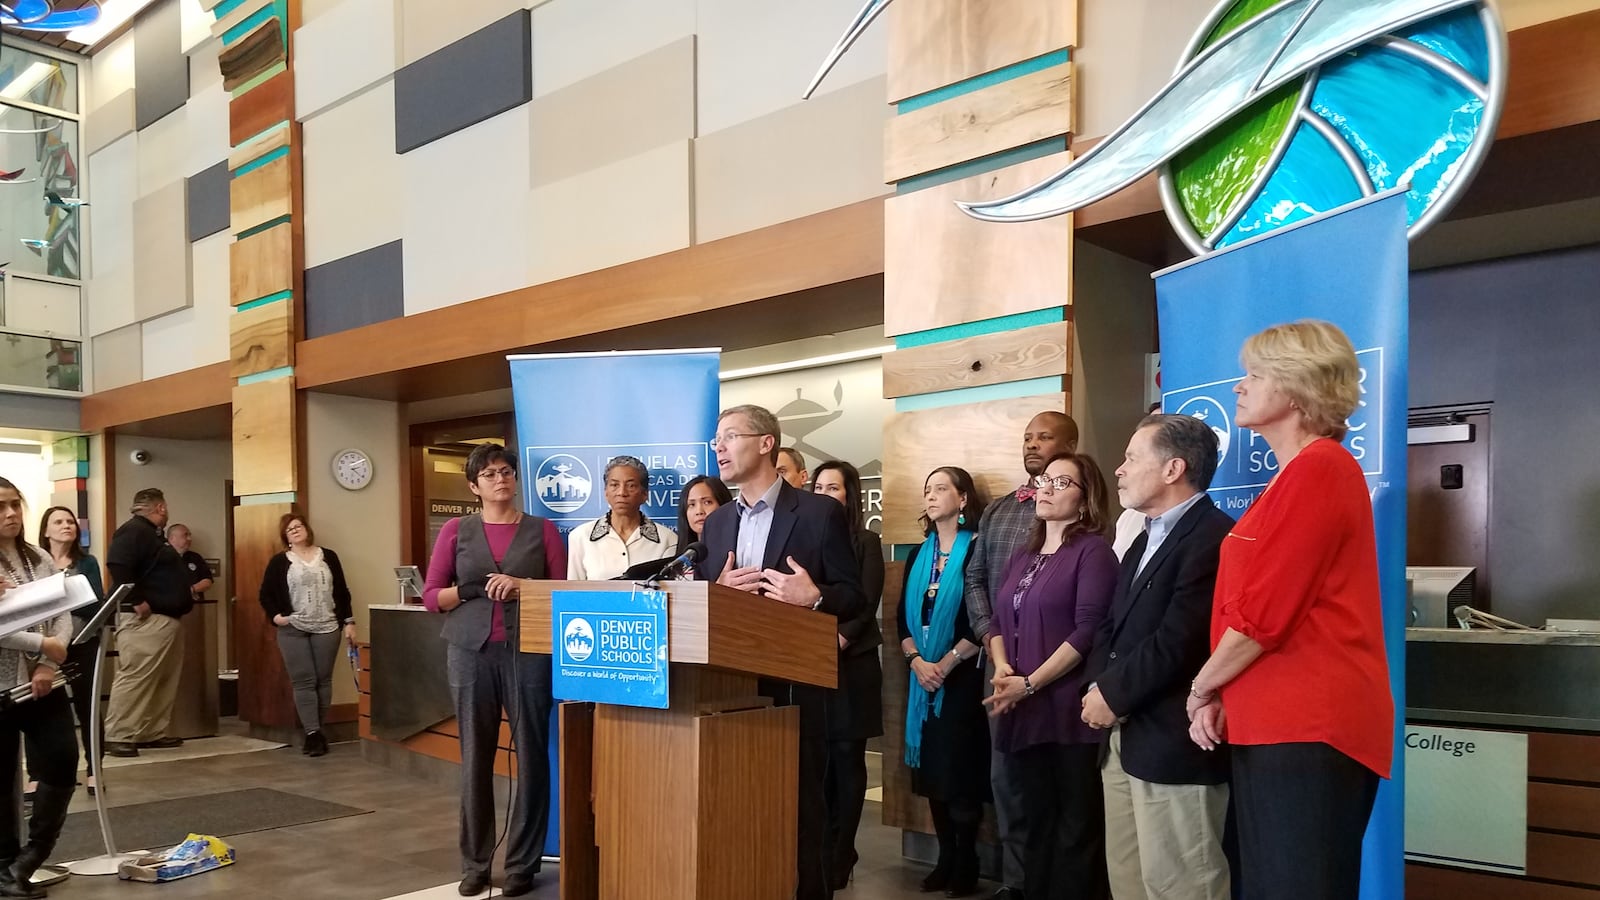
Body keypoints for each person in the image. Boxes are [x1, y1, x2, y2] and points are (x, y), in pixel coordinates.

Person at [1186, 321, 1393, 900]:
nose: (1238, 386)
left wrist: (1202, 687)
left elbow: (1265, 615)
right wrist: (1225, 695)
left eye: (1254, 374)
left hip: (1309, 728)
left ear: (1299, 387)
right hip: (1271, 725)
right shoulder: (1291, 477)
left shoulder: (1322, 468)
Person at [697, 404, 865, 900]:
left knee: (801, 810)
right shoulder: (718, 522)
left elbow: (852, 595)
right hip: (728, 684)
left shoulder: (818, 513)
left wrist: (812, 596)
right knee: (743, 806)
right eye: (716, 440)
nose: (719, 448)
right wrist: (718, 589)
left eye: (730, 437)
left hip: (796, 685)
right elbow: (709, 595)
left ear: (766, 443)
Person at [1082, 416, 1234, 900]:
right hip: (1123, 739)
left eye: (1131, 457)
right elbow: (1111, 626)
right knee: (1129, 881)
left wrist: (1114, 695)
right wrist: (1097, 689)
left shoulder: (1214, 537)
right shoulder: (1146, 536)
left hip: (1174, 742)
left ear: (1173, 468)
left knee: (1181, 886)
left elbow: (1180, 640)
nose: (1119, 469)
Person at [423, 443, 566, 898]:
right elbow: (431, 597)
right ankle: (476, 864)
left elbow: (562, 592)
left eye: (506, 472)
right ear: (473, 486)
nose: (500, 479)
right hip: (469, 652)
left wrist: (524, 586)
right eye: (489, 474)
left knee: (531, 757)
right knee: (476, 757)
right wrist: (467, 591)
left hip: (529, 652)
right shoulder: (455, 530)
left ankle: (522, 863)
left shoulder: (542, 531)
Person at [984, 452, 1116, 900]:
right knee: (1031, 824)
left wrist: (1030, 683)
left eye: (1062, 482)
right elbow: (999, 621)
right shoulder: (1022, 554)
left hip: (1065, 712)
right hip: (1019, 707)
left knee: (1073, 828)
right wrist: (1003, 668)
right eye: (1045, 480)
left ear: (1085, 499)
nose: (1046, 488)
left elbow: (1088, 630)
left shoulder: (1093, 551)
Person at [963, 410, 1079, 900]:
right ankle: (1016, 881)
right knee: (1005, 776)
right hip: (1000, 663)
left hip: (1059, 667)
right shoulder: (1003, 509)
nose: (1032, 445)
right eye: (1027, 437)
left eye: (1045, 437)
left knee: (1055, 783)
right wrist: (993, 642)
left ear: (1071, 444)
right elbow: (975, 578)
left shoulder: (1087, 514)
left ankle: (1053, 881)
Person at [898, 466, 989, 898]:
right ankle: (944, 857)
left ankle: (966, 862)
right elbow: (901, 618)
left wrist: (947, 663)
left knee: (961, 776)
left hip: (962, 681)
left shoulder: (978, 551)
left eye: (940, 489)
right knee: (934, 774)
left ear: (963, 499)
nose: (931, 496)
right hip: (922, 680)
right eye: (926, 489)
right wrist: (917, 661)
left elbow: (981, 620)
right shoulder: (919, 555)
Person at [810, 460, 884, 890]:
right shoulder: (808, 541)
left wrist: (837, 640)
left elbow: (865, 600)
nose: (824, 494)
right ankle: (823, 847)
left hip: (851, 662)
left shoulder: (865, 540)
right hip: (812, 664)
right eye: (818, 487)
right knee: (819, 765)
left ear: (849, 495)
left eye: (833, 488)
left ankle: (843, 852)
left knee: (847, 760)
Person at [0, 479, 75, 898]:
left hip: (44, 683)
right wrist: (40, 644)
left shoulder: (38, 555)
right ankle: (4, 869)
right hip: (0, 687)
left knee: (63, 760)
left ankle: (30, 857)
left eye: (15, 505)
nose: (11, 514)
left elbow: (60, 609)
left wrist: (49, 658)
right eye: (1, 507)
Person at [103, 488, 194, 758]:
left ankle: (150, 731)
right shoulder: (134, 530)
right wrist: (137, 598)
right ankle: (119, 734)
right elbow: (118, 566)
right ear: (161, 508)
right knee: (137, 675)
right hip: (147, 619)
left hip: (167, 619)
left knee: (163, 679)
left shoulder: (152, 535)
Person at [257, 514, 358, 757]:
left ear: (307, 529)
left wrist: (349, 621)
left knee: (322, 680)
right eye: (290, 529)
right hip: (294, 628)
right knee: (303, 680)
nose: (295, 530)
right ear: (285, 537)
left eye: (298, 526)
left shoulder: (329, 556)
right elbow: (265, 594)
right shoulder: (280, 561)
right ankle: (313, 734)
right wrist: (276, 617)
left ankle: (317, 731)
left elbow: (342, 592)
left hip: (327, 626)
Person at [30, 507, 105, 797]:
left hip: (81, 643)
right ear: (46, 530)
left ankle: (94, 771)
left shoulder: (86, 562)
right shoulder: (34, 561)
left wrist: (58, 593)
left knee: (88, 707)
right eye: (58, 522)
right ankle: (36, 773)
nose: (66, 526)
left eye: (70, 522)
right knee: (37, 708)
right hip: (43, 645)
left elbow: (93, 603)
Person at [568, 455, 676, 580]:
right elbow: (573, 593)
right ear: (606, 492)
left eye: (631, 486)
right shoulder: (581, 537)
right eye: (614, 485)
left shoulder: (668, 540)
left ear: (645, 494)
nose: (622, 493)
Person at [673, 475, 732, 567]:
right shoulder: (678, 559)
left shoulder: (737, 551)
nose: (699, 511)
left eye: (707, 502)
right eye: (692, 504)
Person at [165, 524, 215, 606]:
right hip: (168, 607)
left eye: (189, 535)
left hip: (195, 607)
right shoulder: (160, 557)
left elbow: (207, 581)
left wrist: (191, 590)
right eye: (185, 535)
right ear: (172, 539)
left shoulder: (195, 557)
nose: (190, 539)